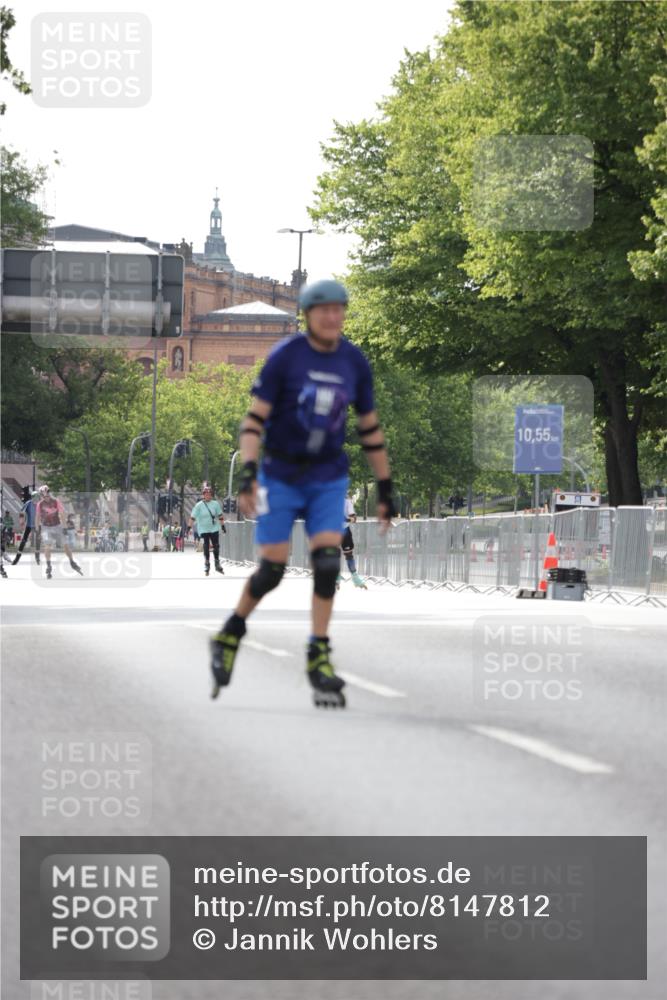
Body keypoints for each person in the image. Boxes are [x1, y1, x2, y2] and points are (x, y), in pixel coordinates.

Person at [209, 278, 397, 707]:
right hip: (280, 474)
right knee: (271, 571)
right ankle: (231, 632)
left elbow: (369, 428)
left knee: (328, 562)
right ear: (308, 315)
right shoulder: (286, 358)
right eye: (324, 310)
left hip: (328, 476)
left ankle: (318, 655)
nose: (333, 317)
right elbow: (254, 420)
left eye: (339, 310)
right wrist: (248, 474)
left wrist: (386, 487)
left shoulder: (354, 361)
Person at [35, 485, 83, 579]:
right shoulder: (40, 504)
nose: (47, 497)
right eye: (44, 496)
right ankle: (48, 565)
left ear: (49, 493)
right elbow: (37, 517)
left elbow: (62, 514)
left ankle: (72, 562)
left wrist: (64, 527)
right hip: (46, 527)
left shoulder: (56, 502)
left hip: (57, 525)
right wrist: (37, 529)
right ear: (42, 496)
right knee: (47, 546)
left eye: (48, 495)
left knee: (65, 545)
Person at [190, 484, 225, 576]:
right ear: (203, 495)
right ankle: (207, 563)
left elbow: (220, 515)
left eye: (210, 494)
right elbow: (192, 517)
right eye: (206, 494)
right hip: (203, 528)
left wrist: (223, 526)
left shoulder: (215, 504)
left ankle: (217, 563)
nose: (208, 496)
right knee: (206, 545)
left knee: (216, 545)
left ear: (212, 495)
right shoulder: (199, 505)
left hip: (214, 527)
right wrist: (189, 527)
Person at [339, 492, 367, 589]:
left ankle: (355, 578)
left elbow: (354, 518)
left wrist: (347, 519)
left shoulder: (347, 501)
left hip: (345, 531)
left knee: (348, 554)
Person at [13, 490, 41, 565]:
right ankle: (16, 559)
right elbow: (22, 512)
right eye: (36, 497)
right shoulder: (29, 503)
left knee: (38, 541)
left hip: (38, 525)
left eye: (38, 497)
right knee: (23, 541)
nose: (37, 499)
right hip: (29, 525)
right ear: (33, 497)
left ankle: (37, 558)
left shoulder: (40, 504)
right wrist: (22, 522)